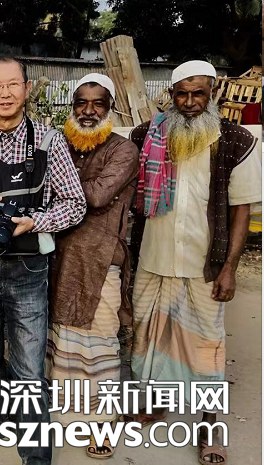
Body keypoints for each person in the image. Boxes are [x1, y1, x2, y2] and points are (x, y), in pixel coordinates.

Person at [0, 56, 86, 461]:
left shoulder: (48, 141)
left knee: (28, 366)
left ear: (26, 89)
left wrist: (34, 221)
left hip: (27, 267)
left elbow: (75, 204)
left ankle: (35, 453)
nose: (5, 93)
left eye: (13, 84)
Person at [129, 60, 261, 465]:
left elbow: (241, 209)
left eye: (197, 94)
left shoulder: (235, 140)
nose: (189, 102)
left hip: (205, 262)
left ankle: (208, 424)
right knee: (147, 334)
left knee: (208, 342)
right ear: (171, 95)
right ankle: (152, 403)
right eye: (181, 94)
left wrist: (229, 269)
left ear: (212, 94)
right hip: (152, 257)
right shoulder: (146, 135)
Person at [46, 73, 139, 459]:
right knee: (61, 339)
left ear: (109, 107)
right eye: (81, 103)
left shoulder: (123, 150)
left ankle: (102, 424)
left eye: (97, 103)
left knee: (98, 342)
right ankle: (64, 417)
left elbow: (98, 196)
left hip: (101, 260)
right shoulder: (61, 144)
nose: (88, 111)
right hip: (58, 256)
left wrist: (54, 183)